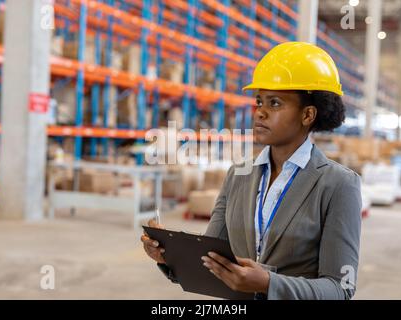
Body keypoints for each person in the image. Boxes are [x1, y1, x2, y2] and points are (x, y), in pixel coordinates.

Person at [141, 42, 362, 300]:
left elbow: (341, 288)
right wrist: (168, 254)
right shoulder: (239, 173)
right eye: (259, 101)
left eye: (275, 103)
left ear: (308, 115)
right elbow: (211, 258)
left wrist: (269, 284)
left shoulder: (338, 184)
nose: (260, 113)